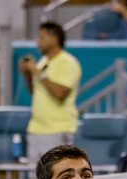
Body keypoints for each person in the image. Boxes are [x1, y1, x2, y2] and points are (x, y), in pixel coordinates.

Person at [19, 22, 82, 165]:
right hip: (36, 130)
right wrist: (28, 75)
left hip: (58, 131)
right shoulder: (43, 62)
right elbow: (35, 91)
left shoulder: (68, 63)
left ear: (54, 39)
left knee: (57, 178)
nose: (38, 42)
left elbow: (61, 94)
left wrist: (37, 72)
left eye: (41, 37)